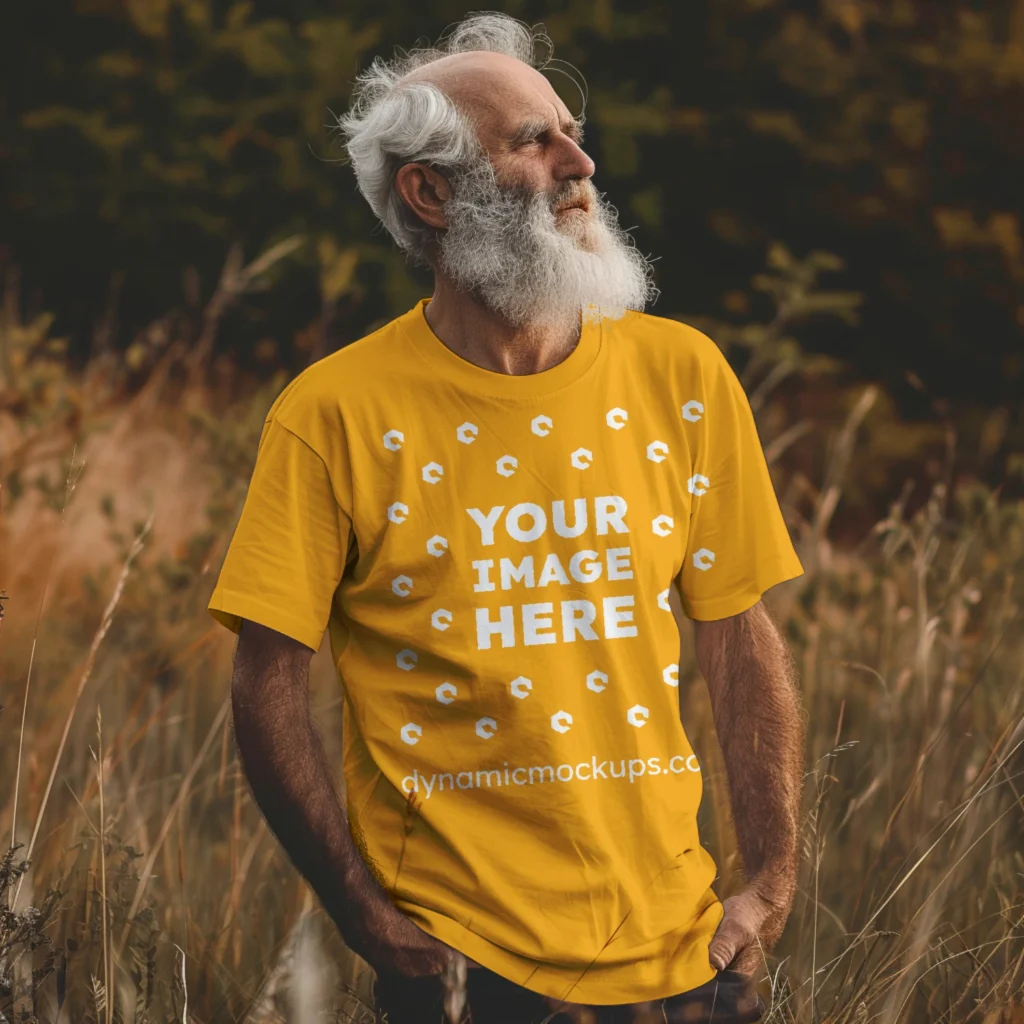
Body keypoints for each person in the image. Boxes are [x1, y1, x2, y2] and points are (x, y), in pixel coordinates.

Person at [207, 12, 805, 1024]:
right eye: (533, 140)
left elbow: (737, 630)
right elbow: (265, 676)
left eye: (569, 131)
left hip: (689, 947)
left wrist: (771, 876)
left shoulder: (684, 374)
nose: (580, 161)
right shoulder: (334, 412)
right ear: (428, 192)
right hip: (464, 966)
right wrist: (361, 913)